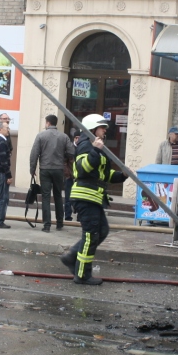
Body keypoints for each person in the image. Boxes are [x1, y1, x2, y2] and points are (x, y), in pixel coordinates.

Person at [61, 114, 127, 285]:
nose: (105, 130)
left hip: (94, 197)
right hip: (85, 196)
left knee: (102, 231)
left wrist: (122, 176)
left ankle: (71, 257)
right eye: (102, 127)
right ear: (93, 128)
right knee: (91, 236)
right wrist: (95, 150)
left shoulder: (96, 146)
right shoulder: (85, 145)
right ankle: (82, 275)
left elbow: (103, 174)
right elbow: (83, 169)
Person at [29, 114, 75, 233]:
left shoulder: (41, 135)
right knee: (58, 195)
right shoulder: (63, 136)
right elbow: (71, 152)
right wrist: (62, 157)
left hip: (45, 169)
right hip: (58, 169)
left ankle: (47, 225)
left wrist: (32, 169)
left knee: (45, 196)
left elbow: (34, 154)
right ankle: (60, 223)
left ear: (48, 123)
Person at [63, 133, 80, 222]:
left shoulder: (83, 147)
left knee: (79, 197)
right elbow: (64, 162)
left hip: (79, 177)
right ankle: (68, 215)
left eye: (79, 138)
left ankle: (79, 215)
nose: (78, 140)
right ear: (74, 138)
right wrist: (67, 174)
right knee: (68, 197)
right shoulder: (69, 148)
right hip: (69, 176)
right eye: (77, 137)